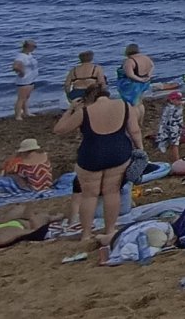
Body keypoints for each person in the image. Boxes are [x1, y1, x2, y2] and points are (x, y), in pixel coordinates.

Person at [53, 85, 140, 242]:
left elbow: (59, 130)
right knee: (112, 192)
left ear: (88, 99)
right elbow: (134, 131)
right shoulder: (124, 105)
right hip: (118, 152)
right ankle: (109, 230)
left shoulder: (84, 112)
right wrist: (140, 150)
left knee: (89, 196)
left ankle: (86, 234)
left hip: (91, 154)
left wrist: (70, 109)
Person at [151, 91, 185, 162]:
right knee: (175, 145)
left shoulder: (171, 107)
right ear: (171, 100)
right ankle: (176, 161)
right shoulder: (170, 109)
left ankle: (173, 160)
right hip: (172, 130)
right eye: (178, 99)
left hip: (174, 129)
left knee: (173, 145)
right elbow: (168, 121)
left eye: (180, 99)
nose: (180, 101)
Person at [11, 39, 39, 121]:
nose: (35, 48)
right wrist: (21, 72)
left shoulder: (29, 54)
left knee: (26, 97)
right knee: (21, 98)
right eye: (34, 46)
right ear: (28, 47)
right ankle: (18, 115)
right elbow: (15, 66)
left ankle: (26, 112)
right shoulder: (20, 56)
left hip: (30, 79)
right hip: (24, 80)